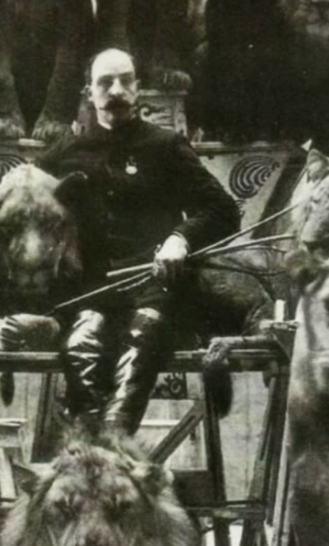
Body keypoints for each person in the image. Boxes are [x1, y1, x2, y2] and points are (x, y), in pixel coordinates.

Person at [38, 48, 241, 434]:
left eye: (125, 80)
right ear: (88, 92)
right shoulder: (66, 152)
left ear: (138, 88)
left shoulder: (165, 146)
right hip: (92, 290)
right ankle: (89, 449)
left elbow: (222, 209)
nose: (116, 90)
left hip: (157, 287)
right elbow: (22, 195)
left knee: (139, 344)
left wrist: (179, 239)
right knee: (81, 343)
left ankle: (115, 447)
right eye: (104, 82)